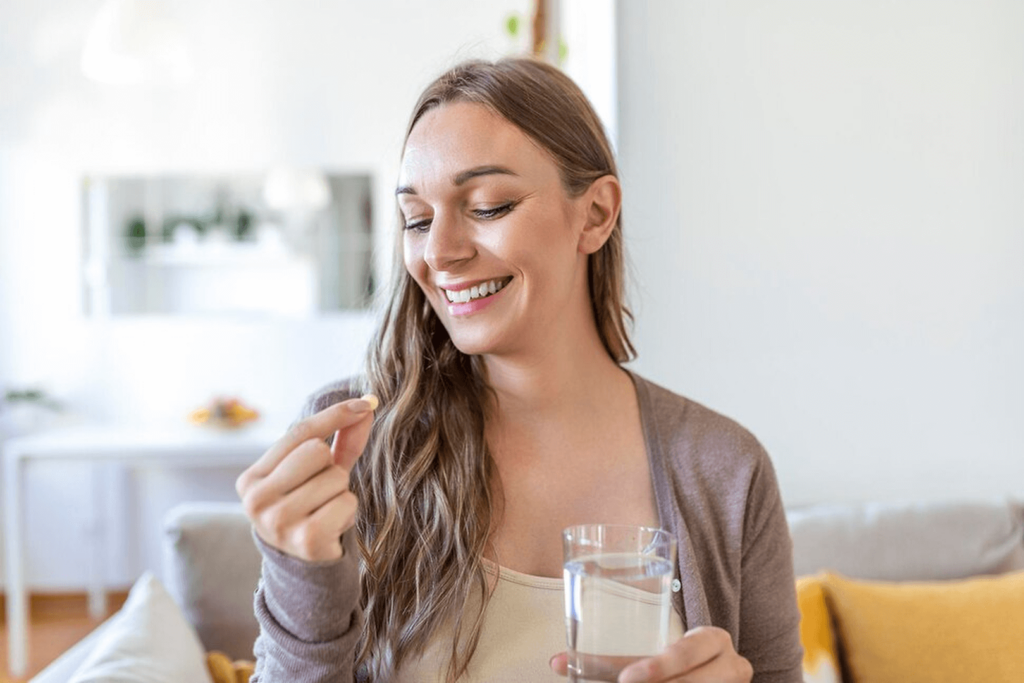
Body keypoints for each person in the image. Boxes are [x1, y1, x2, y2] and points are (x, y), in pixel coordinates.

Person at [235, 56, 803, 683]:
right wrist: (302, 580)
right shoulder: (351, 448)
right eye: (417, 219)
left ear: (595, 214)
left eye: (488, 206)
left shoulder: (725, 471)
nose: (440, 252)